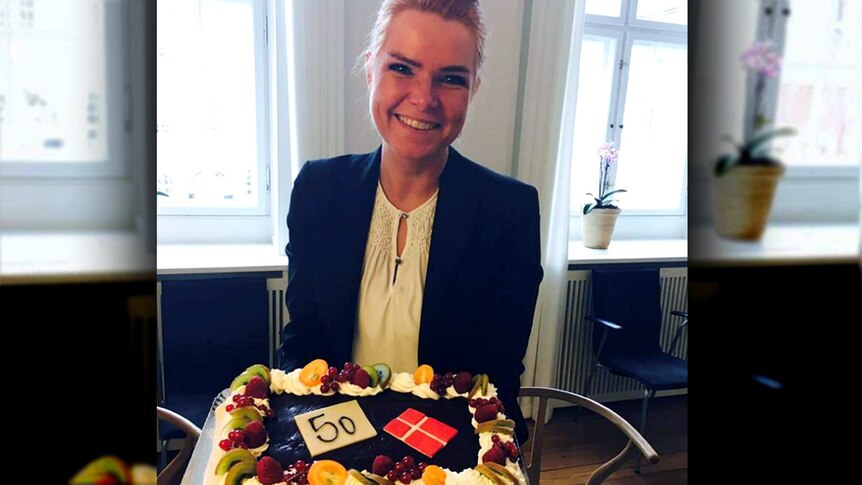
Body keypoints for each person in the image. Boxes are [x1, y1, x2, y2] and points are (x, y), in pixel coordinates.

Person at [279, 0, 542, 443]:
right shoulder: (318, 188)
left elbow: (497, 376)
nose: (423, 98)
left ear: (474, 88)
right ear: (370, 70)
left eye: (452, 78)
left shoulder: (508, 210)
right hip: (334, 445)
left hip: (450, 454)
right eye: (402, 68)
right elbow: (303, 346)